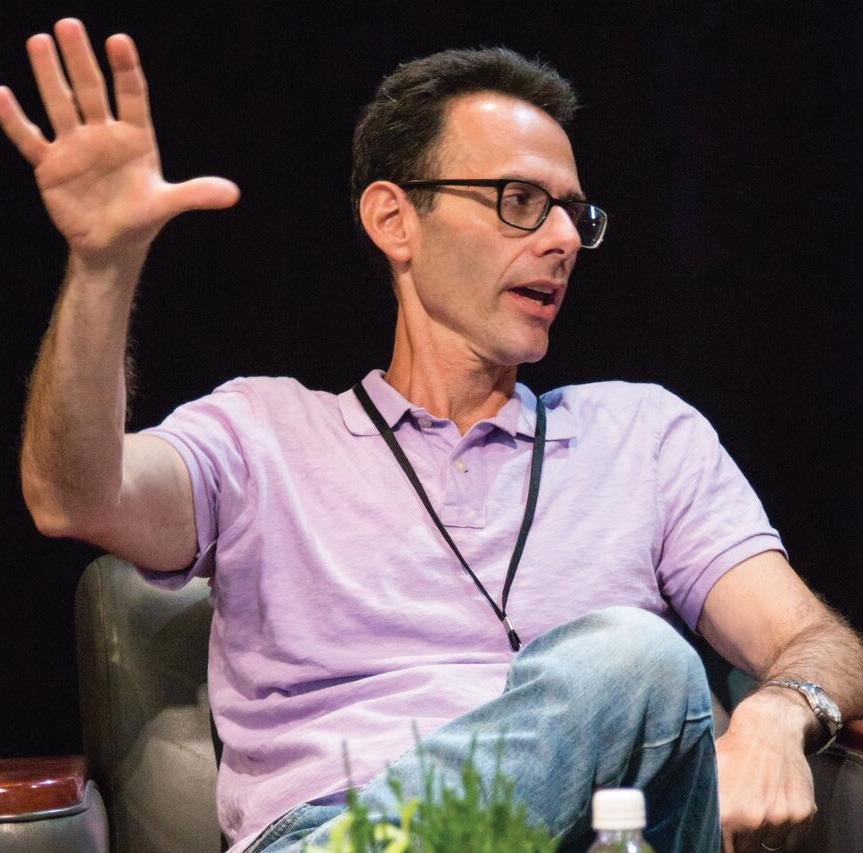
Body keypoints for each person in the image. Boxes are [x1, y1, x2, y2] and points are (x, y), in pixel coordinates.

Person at [3, 17, 862, 853]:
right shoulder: (261, 434)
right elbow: (72, 493)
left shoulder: (646, 437)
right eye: (520, 202)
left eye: (573, 213)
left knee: (636, 666)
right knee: (639, 660)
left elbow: (821, 642)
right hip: (336, 828)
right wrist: (103, 269)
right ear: (394, 220)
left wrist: (779, 711)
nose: (563, 238)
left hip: (609, 835)